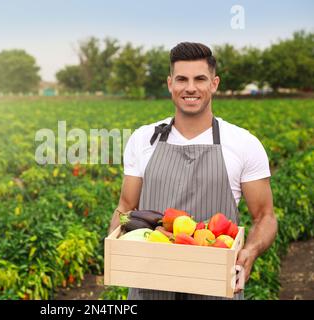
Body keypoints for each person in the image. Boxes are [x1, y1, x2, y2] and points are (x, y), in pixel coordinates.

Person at [108, 42, 278, 300]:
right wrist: (118, 249)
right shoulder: (143, 139)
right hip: (150, 286)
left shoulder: (243, 143)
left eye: (200, 79)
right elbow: (125, 207)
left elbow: (265, 216)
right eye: (181, 79)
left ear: (214, 83)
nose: (190, 88)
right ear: (169, 84)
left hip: (216, 287)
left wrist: (250, 251)